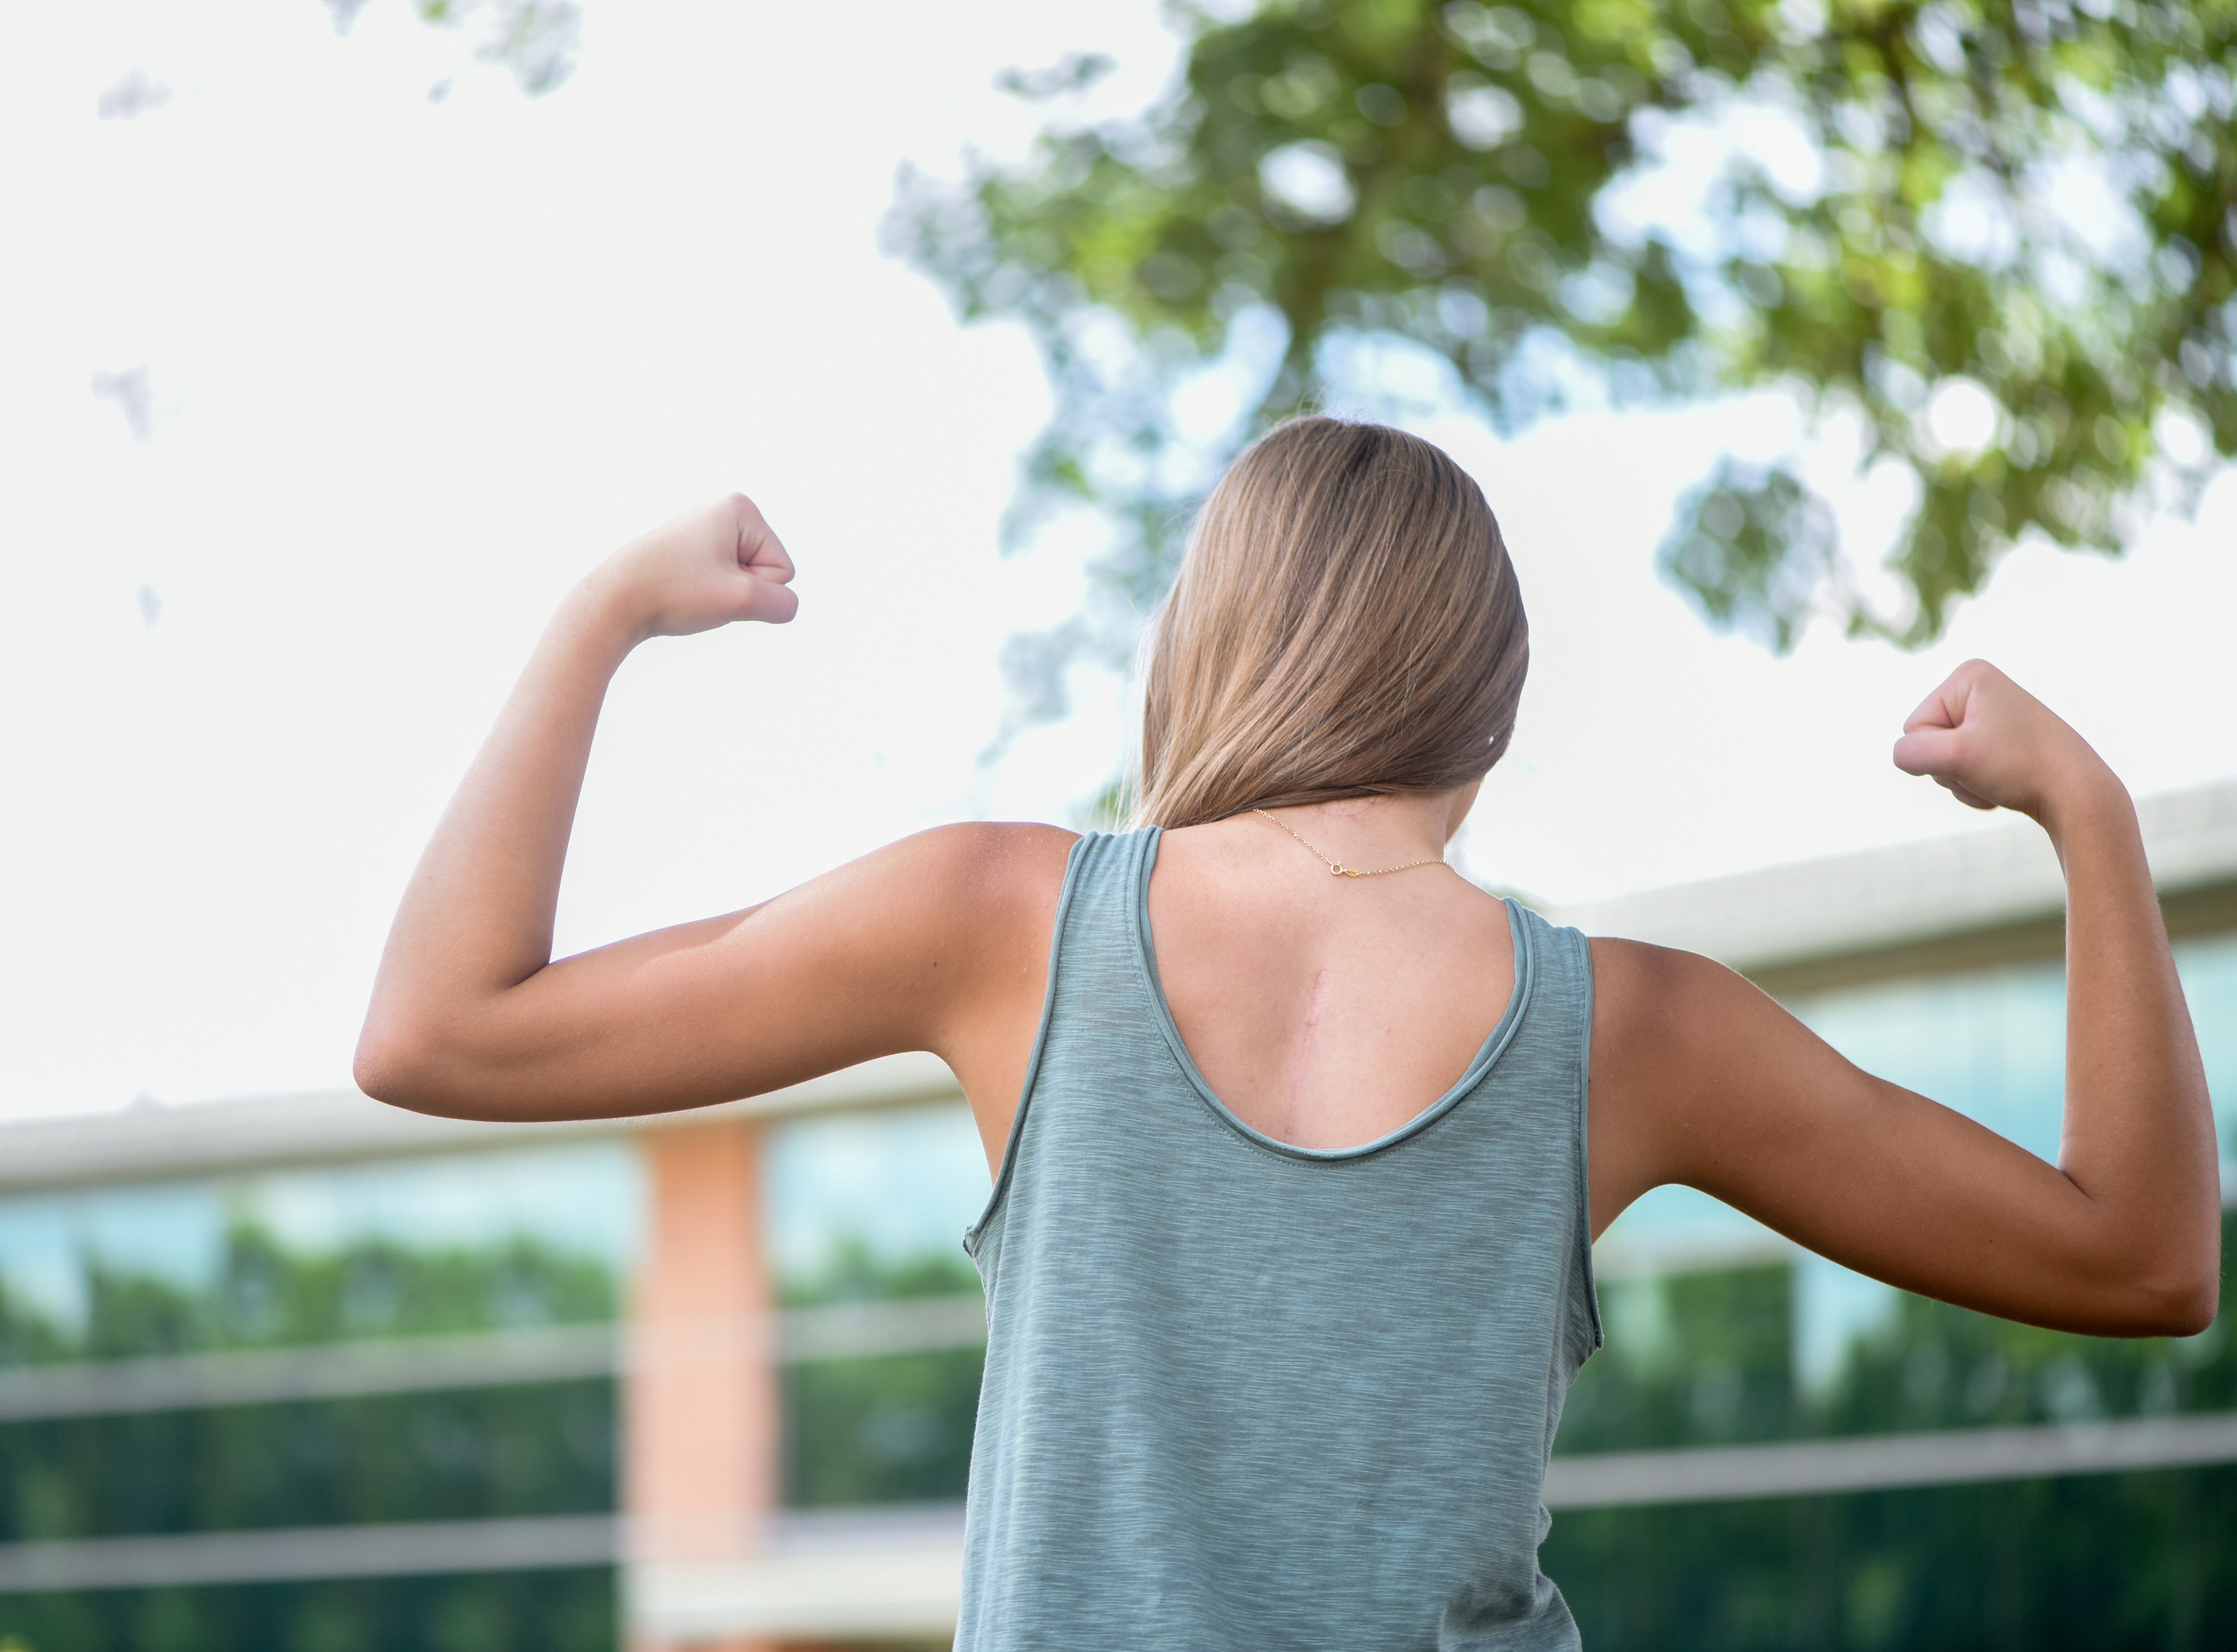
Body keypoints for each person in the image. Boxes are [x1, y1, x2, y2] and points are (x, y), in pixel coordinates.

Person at [355, 417, 2219, 1648]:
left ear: (1206, 652)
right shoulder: (1631, 1028)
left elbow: (439, 1029)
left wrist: (602, 614)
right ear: (1486, 717)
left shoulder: (999, 922)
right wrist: (2088, 816)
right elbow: (2141, 1257)